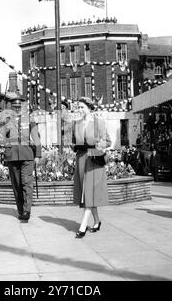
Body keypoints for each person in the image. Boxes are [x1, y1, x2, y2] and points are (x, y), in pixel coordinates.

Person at [0, 96, 41, 223]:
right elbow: (1, 137)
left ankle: (27, 211)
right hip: (12, 155)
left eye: (19, 107)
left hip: (27, 155)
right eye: (14, 107)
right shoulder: (7, 121)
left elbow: (36, 138)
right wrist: (0, 132)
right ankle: (21, 210)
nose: (17, 109)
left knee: (27, 183)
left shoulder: (30, 120)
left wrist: (38, 155)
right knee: (16, 185)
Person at [72, 97, 111, 238]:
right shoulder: (76, 124)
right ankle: (97, 221)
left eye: (82, 107)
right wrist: (75, 146)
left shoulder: (98, 123)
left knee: (88, 193)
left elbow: (107, 141)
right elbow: (72, 142)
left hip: (94, 160)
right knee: (87, 193)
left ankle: (83, 226)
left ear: (89, 108)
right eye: (78, 107)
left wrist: (95, 145)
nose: (80, 110)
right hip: (82, 160)